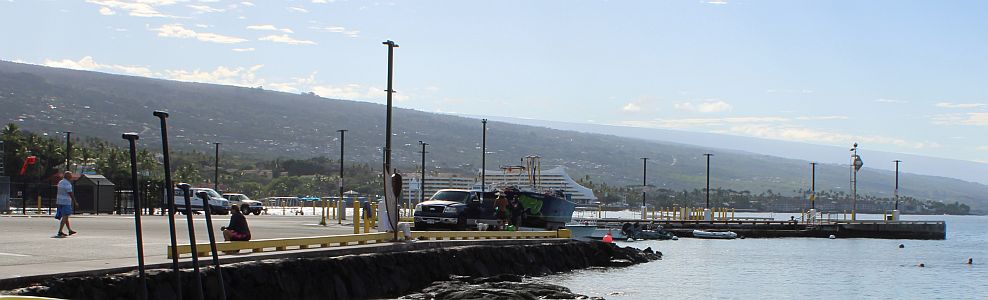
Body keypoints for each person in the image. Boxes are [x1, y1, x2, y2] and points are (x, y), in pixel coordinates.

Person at [54, 171, 78, 237]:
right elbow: (70, 193)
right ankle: (60, 231)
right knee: (65, 216)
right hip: (66, 202)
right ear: (68, 177)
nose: (71, 177)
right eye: (70, 176)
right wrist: (75, 201)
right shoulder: (67, 184)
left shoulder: (60, 182)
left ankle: (69, 230)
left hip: (59, 201)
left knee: (66, 216)